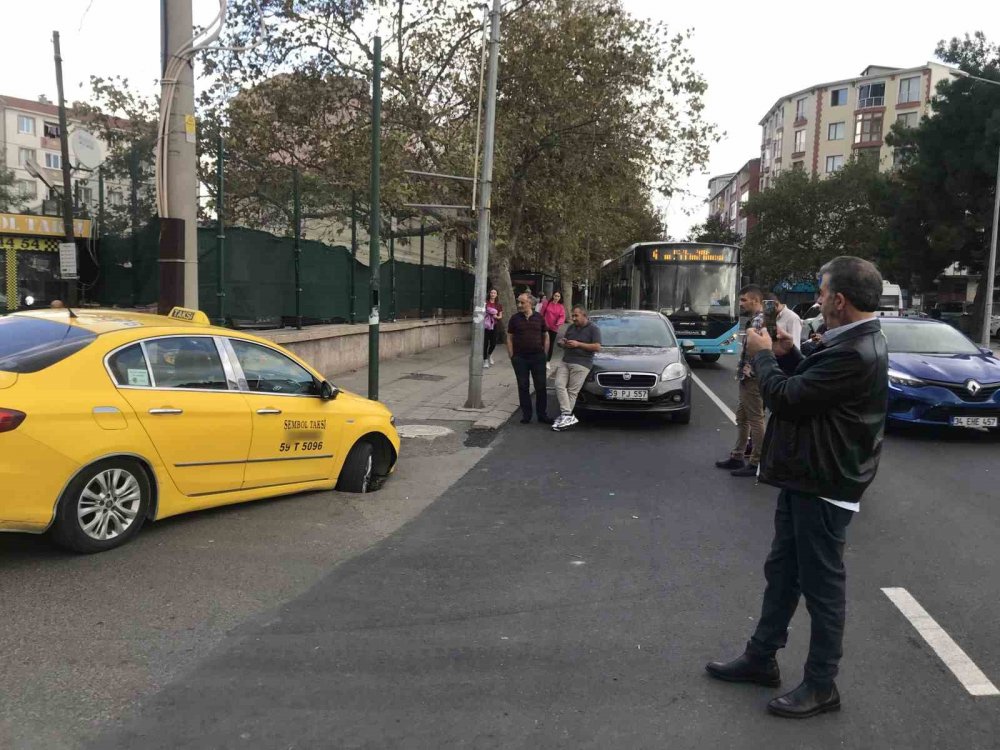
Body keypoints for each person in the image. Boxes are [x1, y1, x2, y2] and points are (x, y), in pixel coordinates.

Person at [706, 256, 889, 719]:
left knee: (822, 587)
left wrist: (764, 354)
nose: (819, 299)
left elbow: (787, 399)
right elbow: (815, 386)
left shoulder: (856, 349)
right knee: (783, 571)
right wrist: (791, 355)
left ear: (840, 301)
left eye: (824, 293)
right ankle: (761, 656)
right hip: (809, 475)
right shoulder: (853, 340)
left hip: (825, 482)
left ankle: (822, 685)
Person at [715, 285, 766, 477]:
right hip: (747, 376)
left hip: (753, 377)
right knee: (742, 417)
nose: (741, 304)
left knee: (755, 419)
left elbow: (762, 350)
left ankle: (756, 462)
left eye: (744, 300)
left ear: (755, 300)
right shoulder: (754, 320)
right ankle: (738, 456)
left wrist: (751, 370)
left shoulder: (761, 320)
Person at [552, 305, 601, 431]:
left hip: (582, 363)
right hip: (566, 360)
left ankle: (565, 416)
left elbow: (597, 347)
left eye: (576, 315)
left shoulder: (593, 329)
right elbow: (565, 341)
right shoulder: (571, 327)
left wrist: (578, 344)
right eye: (572, 315)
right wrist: (562, 343)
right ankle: (567, 415)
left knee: (572, 392)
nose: (573, 318)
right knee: (558, 385)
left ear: (584, 316)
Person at [506, 293, 553, 425]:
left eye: (522, 302)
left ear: (530, 303)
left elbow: (546, 335)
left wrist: (545, 354)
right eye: (518, 302)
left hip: (538, 357)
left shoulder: (539, 318)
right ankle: (526, 415)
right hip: (520, 358)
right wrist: (512, 355)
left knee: (541, 386)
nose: (519, 305)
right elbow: (509, 337)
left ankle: (542, 415)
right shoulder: (514, 319)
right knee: (523, 386)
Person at [541, 290, 567, 363]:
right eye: (555, 296)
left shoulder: (561, 307)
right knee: (543, 342)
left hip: (554, 328)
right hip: (545, 326)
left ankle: (548, 360)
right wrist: (542, 322)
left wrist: (559, 322)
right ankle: (541, 358)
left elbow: (562, 316)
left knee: (550, 344)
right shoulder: (547, 303)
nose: (556, 297)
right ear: (553, 296)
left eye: (558, 296)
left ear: (560, 298)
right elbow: (541, 313)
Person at [483, 289, 504, 368]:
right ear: (489, 294)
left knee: (493, 343)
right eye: (491, 292)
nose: (492, 294)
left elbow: (500, 316)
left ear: (497, 295)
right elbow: (481, 313)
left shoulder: (498, 305)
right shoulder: (485, 303)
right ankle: (485, 360)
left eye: (494, 293)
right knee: (485, 343)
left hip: (494, 325)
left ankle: (489, 355)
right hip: (485, 326)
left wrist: (496, 317)